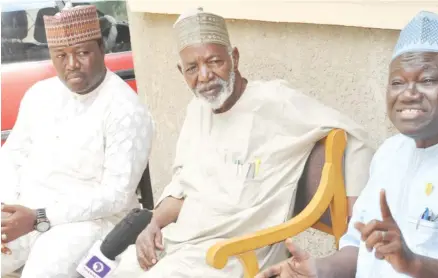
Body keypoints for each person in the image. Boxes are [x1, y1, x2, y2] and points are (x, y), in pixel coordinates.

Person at [110, 7, 375, 278]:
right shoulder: (197, 109)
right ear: (182, 72)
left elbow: (356, 137)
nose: (204, 76)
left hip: (235, 254)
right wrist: (153, 224)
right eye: (192, 68)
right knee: (117, 268)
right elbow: (182, 186)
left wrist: (354, 224)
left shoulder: (276, 102)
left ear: (234, 58)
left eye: (214, 61)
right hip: (182, 242)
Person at [256, 10, 438, 278]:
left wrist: (415, 265)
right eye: (397, 82)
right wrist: (317, 269)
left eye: (427, 80)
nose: (408, 94)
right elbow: (357, 250)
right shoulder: (391, 152)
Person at [0, 3, 154, 278]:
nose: (71, 64)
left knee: (43, 272)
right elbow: (13, 155)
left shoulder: (125, 109)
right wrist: (7, 209)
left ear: (101, 49)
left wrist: (39, 217)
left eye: (82, 53)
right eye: (61, 55)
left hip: (90, 223)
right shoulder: (40, 94)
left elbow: (115, 197)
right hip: (27, 213)